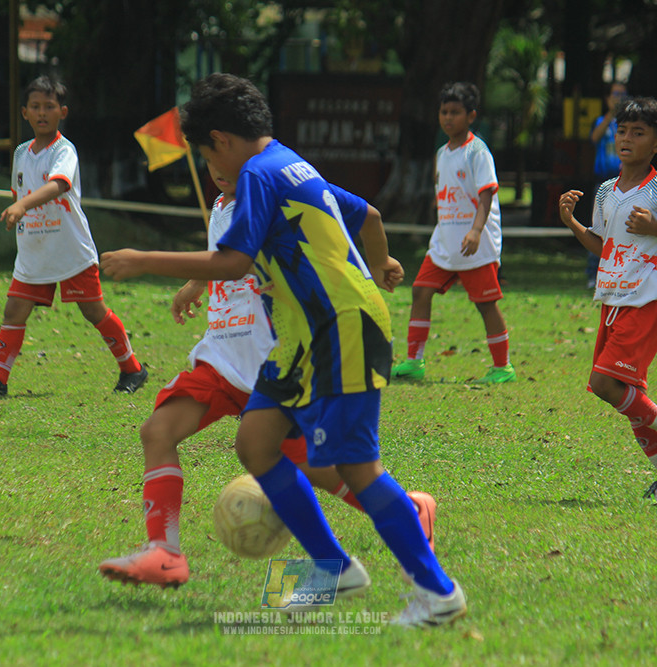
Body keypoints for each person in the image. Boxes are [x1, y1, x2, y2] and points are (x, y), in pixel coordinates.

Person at [101, 73, 466, 627]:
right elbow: (363, 214)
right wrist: (371, 265)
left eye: (204, 154)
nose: (209, 169)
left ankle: (438, 593)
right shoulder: (291, 163)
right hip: (301, 334)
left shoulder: (257, 176)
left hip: (341, 326)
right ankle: (334, 566)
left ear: (221, 140)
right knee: (257, 442)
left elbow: (233, 264)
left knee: (354, 467)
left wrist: (142, 260)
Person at [0, 75, 147, 398]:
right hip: (34, 250)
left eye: (49, 106)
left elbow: (58, 185)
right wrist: (21, 209)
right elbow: (21, 190)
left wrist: (21, 205)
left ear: (63, 112)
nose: (42, 112)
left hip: (70, 249)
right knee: (14, 309)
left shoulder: (65, 151)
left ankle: (133, 369)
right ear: (24, 113)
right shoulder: (20, 153)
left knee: (92, 310)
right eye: (35, 107)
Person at [558, 97, 657, 504]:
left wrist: (655, 226)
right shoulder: (606, 189)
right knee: (629, 396)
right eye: (622, 131)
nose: (626, 139)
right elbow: (601, 245)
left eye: (638, 133)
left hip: (645, 301)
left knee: (604, 383)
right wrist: (572, 223)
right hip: (613, 299)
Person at [391, 82, 514, 385]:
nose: (448, 118)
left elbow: (486, 195)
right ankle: (414, 362)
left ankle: (503, 368)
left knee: (486, 304)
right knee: (420, 290)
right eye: (444, 112)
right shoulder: (441, 153)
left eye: (455, 112)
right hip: (445, 242)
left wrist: (475, 230)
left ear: (471, 116)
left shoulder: (477, 152)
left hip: (477, 243)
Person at [584, 82, 630, 289]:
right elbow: (594, 138)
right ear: (607, 98)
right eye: (615, 94)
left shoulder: (628, 125)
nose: (618, 98)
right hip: (603, 182)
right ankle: (593, 272)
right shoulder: (602, 121)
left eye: (622, 94)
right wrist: (611, 114)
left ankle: (621, 272)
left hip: (625, 183)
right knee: (598, 227)